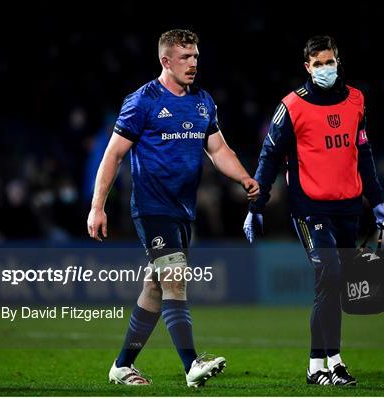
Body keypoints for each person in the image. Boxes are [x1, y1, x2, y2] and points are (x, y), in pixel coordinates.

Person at [87, 29, 259, 387]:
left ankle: (122, 366)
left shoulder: (203, 101)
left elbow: (219, 150)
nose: (193, 63)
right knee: (175, 280)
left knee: (154, 287)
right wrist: (97, 207)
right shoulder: (142, 101)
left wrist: (244, 178)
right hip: (152, 208)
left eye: (196, 56)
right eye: (185, 57)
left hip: (183, 210)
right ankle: (191, 365)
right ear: (165, 61)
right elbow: (113, 155)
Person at [243, 35, 384, 386]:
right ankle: (322, 364)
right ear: (307, 67)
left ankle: (326, 365)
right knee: (330, 274)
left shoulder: (356, 100)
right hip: (310, 209)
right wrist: (256, 205)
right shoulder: (292, 106)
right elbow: (269, 156)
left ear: (338, 61)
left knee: (333, 284)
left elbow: (364, 155)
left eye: (330, 61)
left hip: (348, 207)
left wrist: (379, 202)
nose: (325, 68)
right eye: (318, 63)